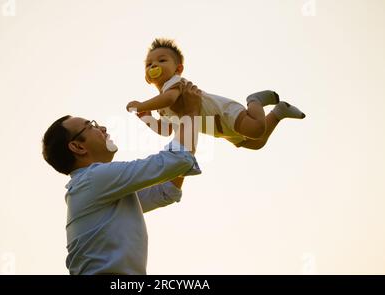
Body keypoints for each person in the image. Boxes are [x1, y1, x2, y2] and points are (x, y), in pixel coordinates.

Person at [42, 82, 202, 275]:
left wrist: (183, 123)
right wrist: (192, 113)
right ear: (78, 147)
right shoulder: (94, 179)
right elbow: (178, 160)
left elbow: (165, 191)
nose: (101, 127)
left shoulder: (96, 186)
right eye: (90, 126)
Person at [126, 38, 305, 150]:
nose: (153, 65)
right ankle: (279, 112)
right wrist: (146, 117)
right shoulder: (162, 109)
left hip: (224, 112)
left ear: (178, 69)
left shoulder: (176, 83)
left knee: (257, 130)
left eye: (161, 60)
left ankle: (254, 100)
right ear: (147, 78)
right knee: (256, 143)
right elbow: (165, 130)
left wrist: (142, 105)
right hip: (220, 130)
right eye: (148, 64)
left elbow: (170, 98)